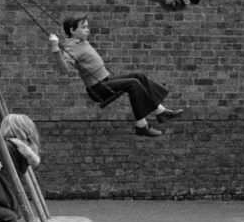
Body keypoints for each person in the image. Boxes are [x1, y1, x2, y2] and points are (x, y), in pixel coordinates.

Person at [48, 15, 183, 138]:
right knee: (133, 83)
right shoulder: (70, 48)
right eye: (83, 27)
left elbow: (73, 40)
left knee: (139, 76)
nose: (87, 30)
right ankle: (141, 126)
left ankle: (161, 111)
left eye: (87, 26)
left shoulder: (80, 41)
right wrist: (55, 47)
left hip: (106, 80)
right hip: (98, 89)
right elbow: (64, 70)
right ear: (72, 30)